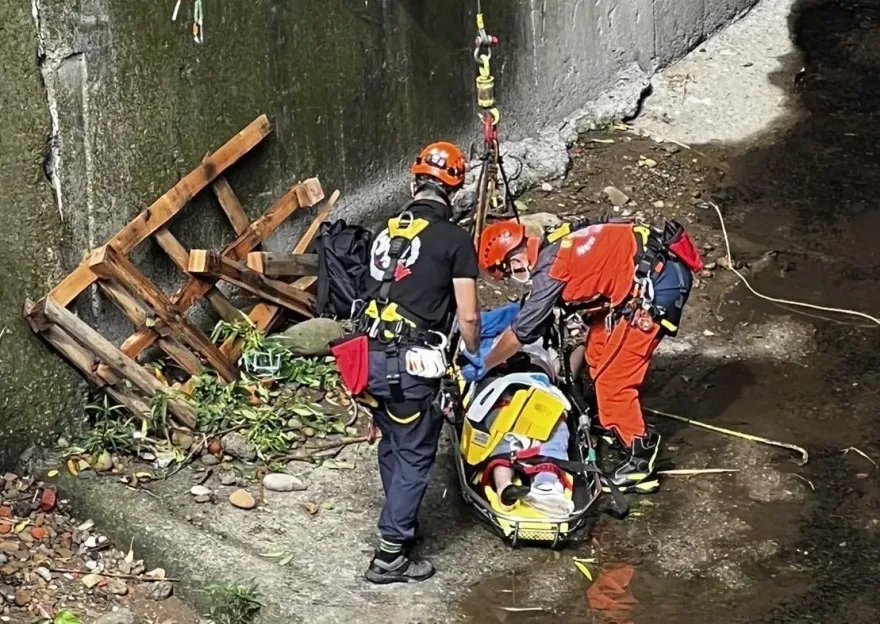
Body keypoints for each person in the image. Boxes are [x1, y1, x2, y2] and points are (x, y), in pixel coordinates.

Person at [468, 218, 701, 490]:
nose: (513, 277)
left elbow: (522, 332)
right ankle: (612, 419)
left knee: (613, 383)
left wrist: (486, 364)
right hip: (644, 273)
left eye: (508, 272)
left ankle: (640, 460)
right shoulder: (558, 242)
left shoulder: (551, 269)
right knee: (597, 351)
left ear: (515, 261)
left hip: (653, 291)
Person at [357, 142, 482, 584]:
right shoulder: (454, 239)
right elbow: (467, 314)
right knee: (413, 453)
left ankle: (400, 526)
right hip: (413, 364)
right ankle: (390, 555)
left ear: (414, 182)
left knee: (391, 442)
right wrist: (473, 351)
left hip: (368, 360)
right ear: (456, 190)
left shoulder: (382, 231)